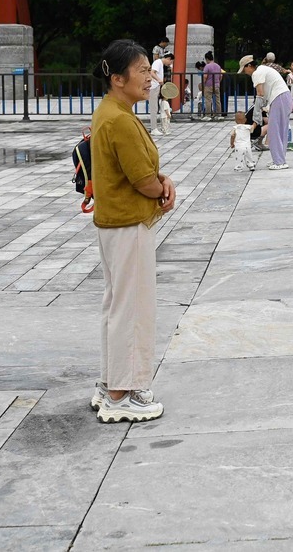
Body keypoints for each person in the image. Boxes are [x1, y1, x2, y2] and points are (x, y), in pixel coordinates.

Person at [89, 39, 175, 423]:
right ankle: (121, 393)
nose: (150, 77)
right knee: (133, 307)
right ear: (119, 78)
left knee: (117, 304)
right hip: (128, 223)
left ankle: (112, 382)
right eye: (142, 71)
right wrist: (162, 189)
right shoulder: (120, 118)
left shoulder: (110, 110)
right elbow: (141, 178)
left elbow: (139, 168)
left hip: (115, 222)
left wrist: (160, 179)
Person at [241, 53, 292, 169]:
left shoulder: (257, 73)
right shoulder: (262, 69)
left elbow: (260, 94)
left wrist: (256, 117)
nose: (245, 73)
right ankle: (280, 160)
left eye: (244, 69)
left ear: (249, 66)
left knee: (274, 130)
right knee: (280, 130)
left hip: (279, 98)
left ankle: (279, 162)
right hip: (283, 97)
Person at [147, 52, 173, 137]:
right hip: (154, 86)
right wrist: (159, 80)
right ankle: (154, 128)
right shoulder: (158, 62)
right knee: (153, 108)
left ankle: (154, 127)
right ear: (168, 58)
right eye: (171, 62)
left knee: (155, 107)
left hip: (156, 86)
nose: (170, 64)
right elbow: (152, 72)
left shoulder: (160, 63)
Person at [201, 52, 224, 121]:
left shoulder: (207, 66)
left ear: (207, 59)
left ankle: (208, 115)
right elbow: (221, 75)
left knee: (208, 100)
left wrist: (203, 84)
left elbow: (205, 76)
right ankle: (218, 114)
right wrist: (218, 82)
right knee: (217, 100)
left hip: (208, 85)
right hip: (217, 85)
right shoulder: (217, 66)